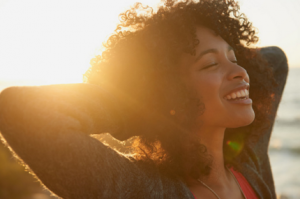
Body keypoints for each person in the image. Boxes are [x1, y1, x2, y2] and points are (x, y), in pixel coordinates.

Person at [0, 0, 288, 198]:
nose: (240, 72)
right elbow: (18, 111)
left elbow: (275, 61)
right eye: (211, 64)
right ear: (172, 90)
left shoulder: (249, 161)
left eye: (234, 58)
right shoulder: (140, 188)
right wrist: (149, 104)